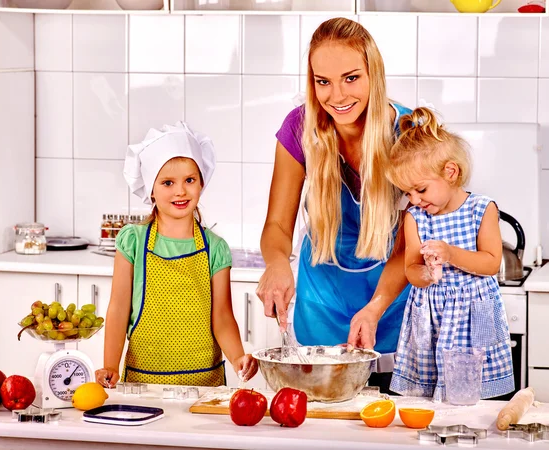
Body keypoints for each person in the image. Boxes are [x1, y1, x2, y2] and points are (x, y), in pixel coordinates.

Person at [256, 17, 412, 391]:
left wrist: (376, 307)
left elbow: (413, 242)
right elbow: (278, 224)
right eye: (322, 81)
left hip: (393, 305)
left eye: (351, 78)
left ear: (373, 73)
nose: (337, 96)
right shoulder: (300, 128)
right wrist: (277, 264)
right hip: (321, 309)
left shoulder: (408, 133)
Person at [95, 122, 257, 388]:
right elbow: (119, 309)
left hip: (204, 385)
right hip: (144, 383)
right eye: (168, 182)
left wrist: (238, 356)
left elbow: (223, 316)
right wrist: (110, 364)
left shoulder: (214, 248)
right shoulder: (133, 241)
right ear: (151, 189)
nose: (180, 191)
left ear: (201, 183)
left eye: (189, 180)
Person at [385, 106, 514, 401]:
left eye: (420, 190)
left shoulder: (482, 209)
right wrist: (428, 274)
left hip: (472, 314)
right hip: (431, 318)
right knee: (429, 401)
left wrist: (450, 254)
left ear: (451, 172)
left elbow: (491, 263)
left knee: (475, 397)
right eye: (408, 194)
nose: (414, 200)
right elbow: (410, 271)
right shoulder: (414, 218)